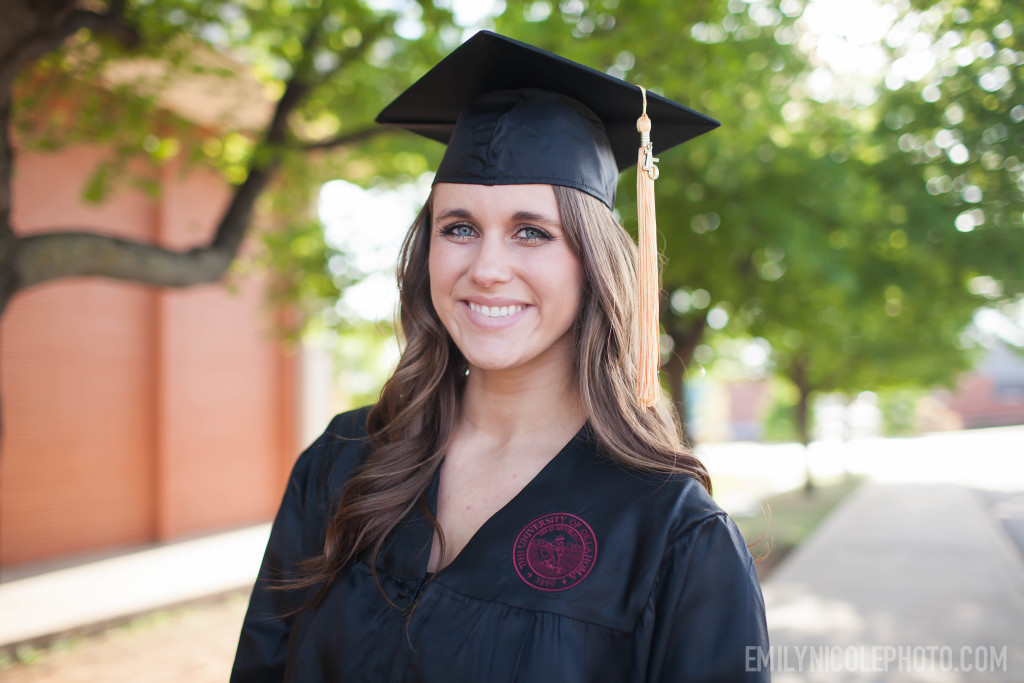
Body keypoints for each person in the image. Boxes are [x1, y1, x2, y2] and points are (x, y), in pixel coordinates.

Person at [230, 31, 769, 682]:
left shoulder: (671, 532)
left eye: (531, 232)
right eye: (458, 226)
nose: (486, 267)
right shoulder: (343, 463)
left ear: (593, 262)